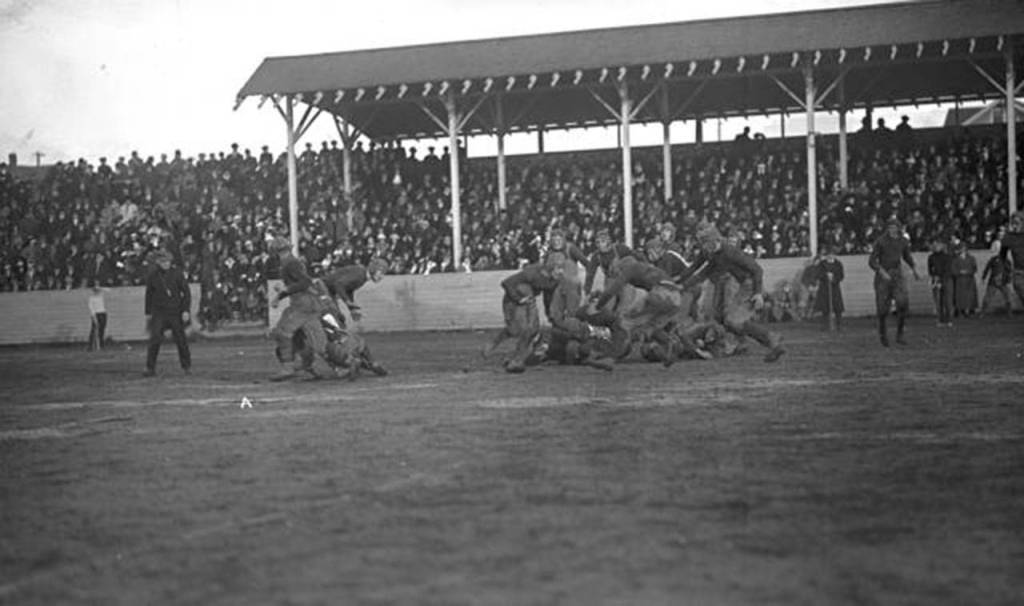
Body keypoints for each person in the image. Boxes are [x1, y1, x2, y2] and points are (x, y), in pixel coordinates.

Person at [682, 222, 786, 363]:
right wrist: (682, 286)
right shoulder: (717, 253)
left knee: (732, 321)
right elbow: (704, 272)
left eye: (705, 243)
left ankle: (771, 339)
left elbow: (757, 269)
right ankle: (770, 341)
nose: (703, 248)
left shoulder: (730, 252)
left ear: (714, 240)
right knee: (730, 320)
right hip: (745, 285)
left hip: (749, 285)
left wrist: (758, 293)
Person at [267, 236, 330, 381]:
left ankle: (288, 368)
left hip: (302, 304)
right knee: (316, 343)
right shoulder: (293, 262)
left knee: (283, 333)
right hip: (309, 304)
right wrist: (281, 295)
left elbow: (304, 282)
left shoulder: (290, 264)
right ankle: (342, 361)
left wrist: (282, 292)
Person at [482, 263, 563, 373]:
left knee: (532, 329)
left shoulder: (555, 281)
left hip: (529, 300)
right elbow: (506, 283)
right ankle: (495, 344)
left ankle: (516, 360)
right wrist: (518, 298)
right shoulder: (531, 273)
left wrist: (550, 313)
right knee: (515, 330)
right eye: (558, 268)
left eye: (562, 269)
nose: (561, 272)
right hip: (513, 299)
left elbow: (548, 297)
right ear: (549, 270)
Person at [868, 219, 920, 347]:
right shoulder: (880, 241)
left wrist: (914, 269)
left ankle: (900, 334)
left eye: (894, 227)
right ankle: (883, 335)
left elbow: (907, 256)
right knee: (882, 309)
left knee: (902, 303)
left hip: (897, 275)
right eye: (890, 227)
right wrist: (881, 272)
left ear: (898, 228)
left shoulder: (903, 241)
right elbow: (872, 261)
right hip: (883, 276)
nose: (892, 229)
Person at [143, 249, 191, 377]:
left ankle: (186, 366)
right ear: (158, 262)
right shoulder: (153, 276)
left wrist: (186, 310)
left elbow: (186, 293)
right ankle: (150, 367)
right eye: (163, 261)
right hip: (159, 312)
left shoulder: (177, 274)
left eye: (167, 261)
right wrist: (148, 312)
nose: (166, 264)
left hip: (175, 311)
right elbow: (149, 295)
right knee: (155, 339)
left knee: (181, 339)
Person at [321, 258, 387, 326]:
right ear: (373, 269)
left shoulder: (362, 275)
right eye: (381, 272)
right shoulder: (360, 275)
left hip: (326, 289)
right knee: (336, 320)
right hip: (323, 289)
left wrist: (352, 309)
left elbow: (348, 290)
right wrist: (347, 301)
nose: (382, 276)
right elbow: (338, 284)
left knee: (338, 320)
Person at [813, 246, 845, 331]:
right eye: (829, 255)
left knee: (837, 307)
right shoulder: (822, 264)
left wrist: (834, 278)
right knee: (825, 308)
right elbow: (818, 274)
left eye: (832, 254)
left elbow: (841, 276)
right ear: (826, 255)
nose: (830, 256)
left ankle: (839, 325)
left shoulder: (838, 264)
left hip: (835, 288)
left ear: (835, 255)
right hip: (824, 288)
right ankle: (825, 325)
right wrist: (826, 276)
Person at [999, 212, 1024, 311]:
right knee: (1019, 287)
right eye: (1013, 222)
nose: (1015, 225)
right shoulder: (1008, 237)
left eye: (1017, 223)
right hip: (1018, 270)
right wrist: (1004, 267)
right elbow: (1002, 254)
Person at [927, 237, 954, 327]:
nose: (936, 247)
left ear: (942, 246)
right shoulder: (931, 257)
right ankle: (940, 319)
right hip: (936, 279)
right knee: (938, 301)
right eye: (934, 245)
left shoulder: (947, 257)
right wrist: (934, 278)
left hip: (946, 280)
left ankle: (949, 319)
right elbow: (930, 270)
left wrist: (941, 280)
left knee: (947, 300)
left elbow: (947, 270)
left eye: (937, 245)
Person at [980, 251, 1014, 316]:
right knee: (987, 297)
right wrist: (983, 277)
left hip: (1003, 282)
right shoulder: (993, 259)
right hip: (993, 281)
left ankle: (1010, 312)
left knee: (1008, 297)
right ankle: (982, 312)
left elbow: (1010, 271)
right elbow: (987, 268)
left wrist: (1009, 279)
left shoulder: (1007, 261)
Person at [950, 243, 979, 318]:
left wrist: (968, 271)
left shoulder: (971, 258)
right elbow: (953, 269)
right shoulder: (955, 259)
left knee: (970, 296)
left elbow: (974, 268)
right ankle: (960, 311)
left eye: (964, 248)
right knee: (960, 296)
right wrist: (959, 272)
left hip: (969, 280)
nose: (962, 250)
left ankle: (971, 311)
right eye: (961, 248)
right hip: (959, 280)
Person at [87, 280, 108, 351]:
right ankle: (90, 346)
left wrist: (100, 288)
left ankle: (101, 345)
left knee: (102, 330)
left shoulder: (101, 295)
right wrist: (94, 318)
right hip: (96, 314)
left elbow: (108, 290)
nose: (97, 291)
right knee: (93, 330)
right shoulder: (91, 298)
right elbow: (91, 308)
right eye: (95, 290)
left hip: (103, 313)